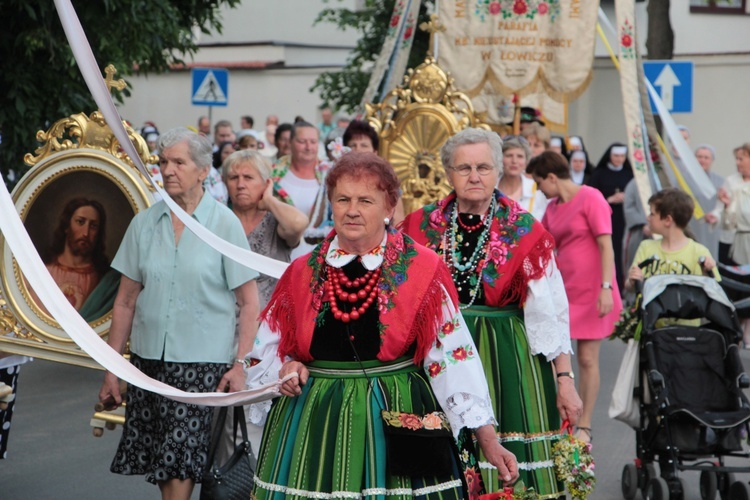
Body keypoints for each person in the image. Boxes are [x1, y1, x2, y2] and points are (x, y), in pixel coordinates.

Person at [246, 152, 518, 499]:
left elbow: (452, 356)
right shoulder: (302, 271)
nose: (352, 210)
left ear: (389, 208)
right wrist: (286, 367)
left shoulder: (421, 269)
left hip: (396, 414)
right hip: (315, 422)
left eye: (366, 200)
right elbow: (269, 351)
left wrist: (487, 438)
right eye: (342, 199)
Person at [402, 130, 581, 497]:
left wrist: (564, 379)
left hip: (507, 360)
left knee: (510, 470)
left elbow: (551, 312)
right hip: (437, 356)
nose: (474, 176)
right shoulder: (419, 226)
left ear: (499, 171)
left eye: (483, 167)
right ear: (448, 173)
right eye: (463, 167)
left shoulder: (524, 229)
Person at [98, 128, 260, 500]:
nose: (168, 170)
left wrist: (240, 364)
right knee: (165, 464)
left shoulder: (223, 224)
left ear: (203, 170)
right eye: (162, 162)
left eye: (178, 162)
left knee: (180, 463)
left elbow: (249, 302)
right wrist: (112, 369)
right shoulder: (144, 224)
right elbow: (124, 302)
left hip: (201, 367)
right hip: (148, 363)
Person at [527, 151, 622, 446]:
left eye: (540, 183)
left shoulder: (591, 197)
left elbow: (607, 246)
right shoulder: (553, 207)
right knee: (560, 359)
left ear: (552, 177)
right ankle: (565, 416)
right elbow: (538, 240)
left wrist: (606, 287)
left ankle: (585, 425)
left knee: (586, 358)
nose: (539, 189)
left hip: (594, 290)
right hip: (565, 293)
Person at [223, 150, 308, 308]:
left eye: (248, 178)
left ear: (266, 183)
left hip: (271, 322)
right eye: (234, 178)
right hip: (226, 320)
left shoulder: (276, 220)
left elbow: (298, 224)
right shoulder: (220, 219)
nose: (240, 185)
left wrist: (269, 200)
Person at [625, 188, 718, 293]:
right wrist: (632, 280)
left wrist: (707, 272)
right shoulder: (646, 247)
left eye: (652, 214)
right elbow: (629, 286)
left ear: (668, 220)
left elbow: (715, 289)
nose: (647, 218)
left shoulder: (699, 252)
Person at [272, 121, 331, 258]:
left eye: (313, 141)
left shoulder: (329, 174)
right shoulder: (273, 173)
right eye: (302, 141)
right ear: (290, 142)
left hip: (318, 258)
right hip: (280, 255)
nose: (308, 147)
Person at [43, 198, 110, 311]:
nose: (85, 233)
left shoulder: (103, 281)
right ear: (66, 226)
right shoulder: (43, 270)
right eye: (80, 222)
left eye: (93, 226)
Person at [718, 143, 750, 344]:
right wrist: (726, 206)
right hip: (740, 240)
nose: (738, 163)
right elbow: (728, 221)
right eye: (736, 159)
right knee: (740, 286)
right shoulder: (731, 182)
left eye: (742, 158)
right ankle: (738, 329)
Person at [590, 142, 634, 290]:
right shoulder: (599, 174)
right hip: (605, 219)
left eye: (622, 156)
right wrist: (609, 199)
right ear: (609, 155)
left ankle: (621, 286)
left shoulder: (630, 174)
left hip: (624, 219)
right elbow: (591, 196)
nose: (619, 159)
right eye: (616, 155)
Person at [496, 135, 548, 220]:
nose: (514, 161)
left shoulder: (536, 190)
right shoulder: (490, 188)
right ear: (500, 159)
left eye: (520, 156)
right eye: (509, 156)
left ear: (526, 161)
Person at [689, 144, 725, 260]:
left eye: (706, 157)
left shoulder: (720, 181)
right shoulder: (685, 178)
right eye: (699, 157)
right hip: (690, 225)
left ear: (712, 160)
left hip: (710, 228)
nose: (702, 160)